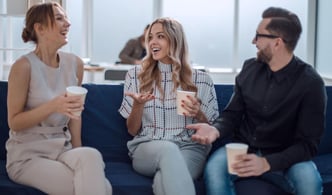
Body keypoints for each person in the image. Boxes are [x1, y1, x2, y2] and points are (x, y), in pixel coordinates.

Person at [187, 7, 327, 195]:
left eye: (258, 36)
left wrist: (267, 163)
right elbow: (232, 115)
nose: (253, 41)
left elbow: (307, 145)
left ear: (277, 43)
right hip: (244, 150)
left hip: (286, 157)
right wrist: (216, 129)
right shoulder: (249, 69)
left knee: (309, 182)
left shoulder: (311, 83)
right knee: (214, 170)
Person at [5, 2, 112, 195]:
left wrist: (76, 151)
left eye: (66, 18)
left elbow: (74, 115)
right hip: (28, 156)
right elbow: (14, 122)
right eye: (59, 18)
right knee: (102, 188)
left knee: (90, 156)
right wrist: (54, 105)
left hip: (63, 150)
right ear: (40, 28)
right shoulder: (23, 67)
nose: (68, 23)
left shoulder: (75, 64)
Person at [118, 17, 219, 195]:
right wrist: (138, 106)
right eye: (150, 37)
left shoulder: (202, 80)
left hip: (190, 147)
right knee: (168, 149)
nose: (152, 42)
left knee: (163, 179)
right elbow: (133, 131)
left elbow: (211, 129)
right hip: (148, 147)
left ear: (175, 40)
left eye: (160, 36)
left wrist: (198, 114)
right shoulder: (135, 76)